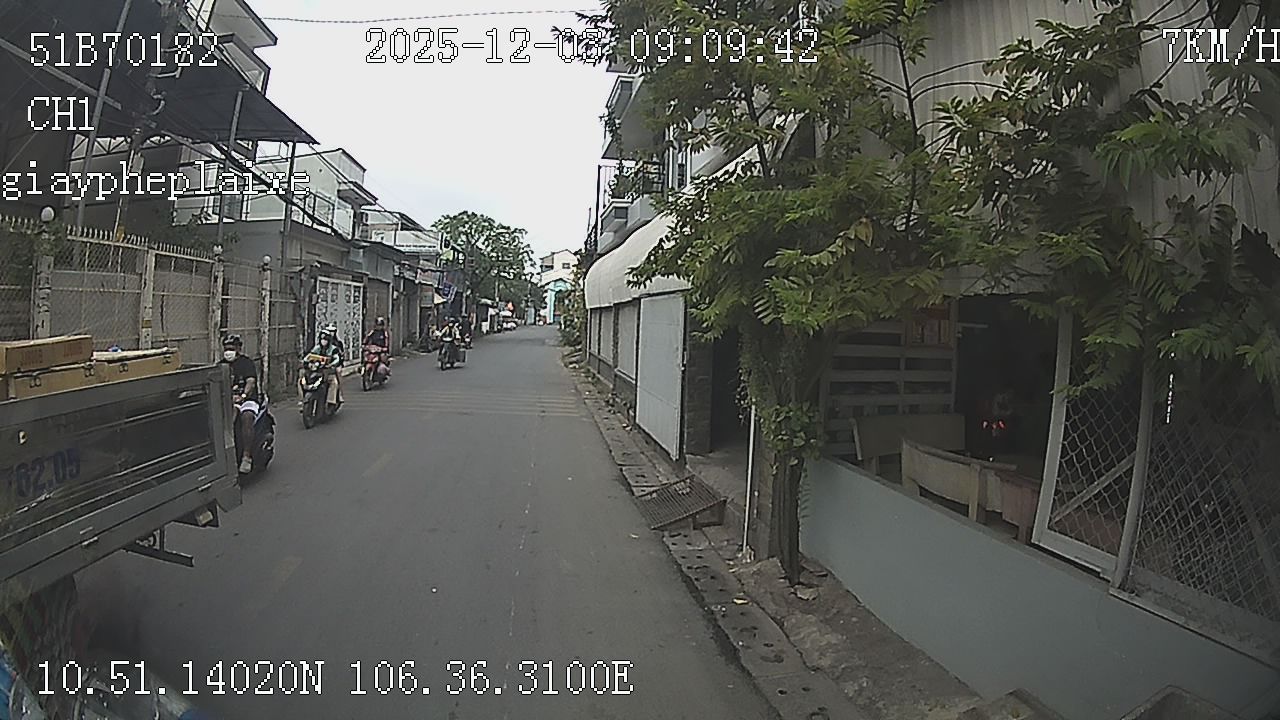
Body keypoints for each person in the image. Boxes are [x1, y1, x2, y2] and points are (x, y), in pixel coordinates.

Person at [221, 334, 259, 474]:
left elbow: (251, 382)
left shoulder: (247, 363)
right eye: (226, 348)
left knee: (247, 416)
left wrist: (243, 396)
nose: (228, 351)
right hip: (227, 402)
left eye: (231, 348)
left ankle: (246, 456)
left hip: (247, 400)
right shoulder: (221, 366)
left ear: (238, 348)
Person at [306, 325, 344, 410]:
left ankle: (334, 399)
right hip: (318, 369)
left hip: (331, 369)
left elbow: (338, 357)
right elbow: (310, 356)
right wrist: (306, 362)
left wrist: (333, 364)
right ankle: (303, 400)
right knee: (302, 379)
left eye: (325, 339)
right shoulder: (317, 348)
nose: (324, 341)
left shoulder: (336, 346)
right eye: (322, 339)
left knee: (335, 379)